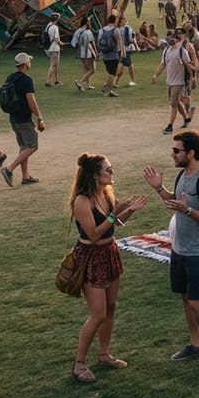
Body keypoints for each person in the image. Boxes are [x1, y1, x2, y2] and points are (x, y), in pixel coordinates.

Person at [143, 130, 199, 375]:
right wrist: (160, 189)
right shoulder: (181, 175)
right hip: (179, 248)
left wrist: (187, 210)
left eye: (176, 150)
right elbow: (175, 203)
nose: (172, 154)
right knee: (185, 298)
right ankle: (195, 345)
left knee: (197, 301)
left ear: (191, 152)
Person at [69, 153, 150, 383]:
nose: (112, 173)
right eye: (108, 170)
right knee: (98, 314)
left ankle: (104, 355)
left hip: (109, 252)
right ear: (96, 176)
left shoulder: (105, 194)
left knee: (111, 307)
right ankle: (79, 364)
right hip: (91, 256)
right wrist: (115, 214)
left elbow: (113, 225)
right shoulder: (81, 201)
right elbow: (94, 234)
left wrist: (130, 210)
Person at [0, 53, 45, 186]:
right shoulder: (26, 80)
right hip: (24, 118)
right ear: (26, 63)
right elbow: (31, 101)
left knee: (23, 147)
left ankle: (25, 176)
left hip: (13, 118)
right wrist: (39, 118)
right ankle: (9, 169)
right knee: (32, 146)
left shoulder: (11, 77)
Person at [150, 30, 192, 134]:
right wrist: (155, 75)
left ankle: (170, 126)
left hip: (179, 82)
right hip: (169, 81)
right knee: (175, 103)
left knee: (173, 104)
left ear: (178, 40)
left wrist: (192, 79)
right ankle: (186, 117)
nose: (171, 40)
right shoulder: (166, 51)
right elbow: (162, 64)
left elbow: (189, 66)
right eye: (170, 38)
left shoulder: (182, 52)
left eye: (173, 38)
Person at [71, 22, 98, 91]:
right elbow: (90, 43)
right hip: (88, 53)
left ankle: (87, 85)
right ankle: (80, 82)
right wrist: (94, 52)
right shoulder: (88, 32)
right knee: (92, 70)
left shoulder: (80, 32)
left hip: (81, 53)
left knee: (86, 69)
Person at [44, 13, 63, 87]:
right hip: (54, 48)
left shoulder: (48, 25)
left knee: (56, 65)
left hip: (49, 47)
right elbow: (56, 38)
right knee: (53, 65)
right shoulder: (55, 27)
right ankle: (48, 81)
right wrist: (60, 43)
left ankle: (57, 80)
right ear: (57, 19)